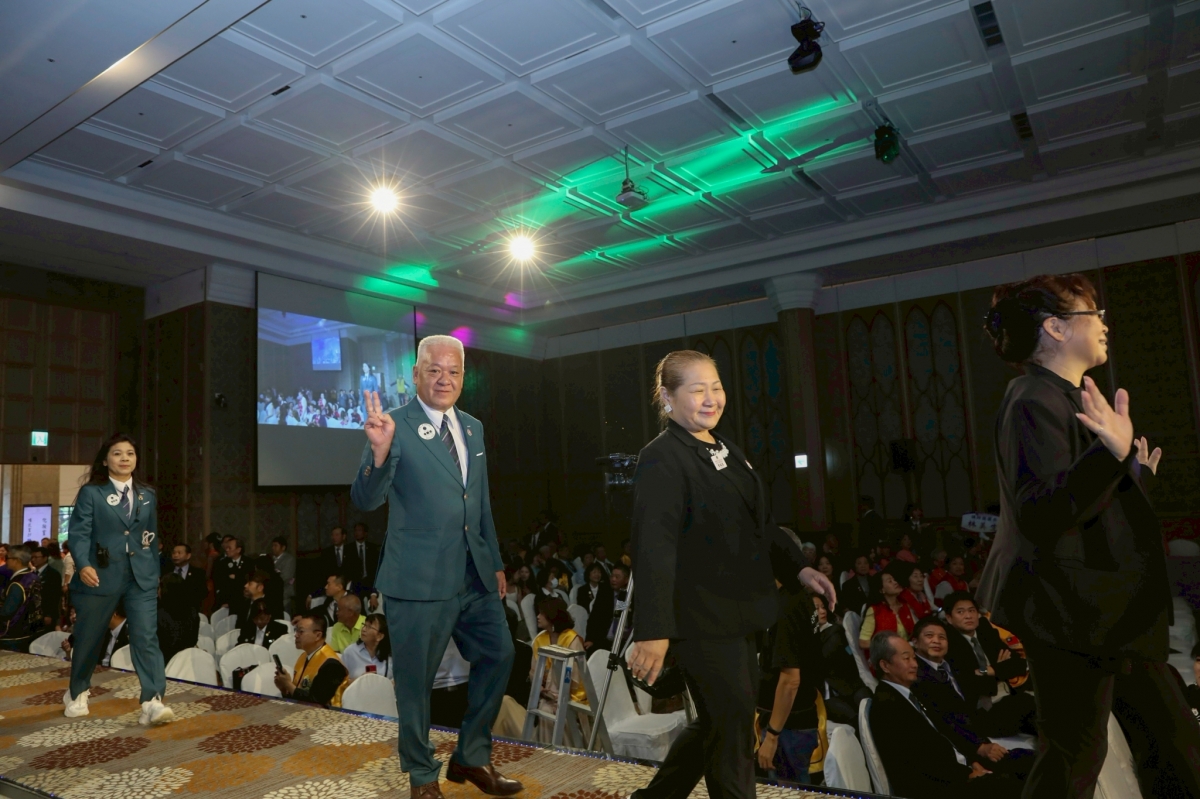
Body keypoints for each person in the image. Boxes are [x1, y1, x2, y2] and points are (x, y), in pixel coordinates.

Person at [977, 272, 1200, 799]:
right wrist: (1111, 455)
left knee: (1167, 739)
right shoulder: (1032, 398)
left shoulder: (1066, 395)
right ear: (1054, 328)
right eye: (1092, 313)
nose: (1104, 324)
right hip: (1069, 610)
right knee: (1077, 752)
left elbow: (1083, 499)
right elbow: (1040, 510)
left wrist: (1130, 473)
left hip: (1103, 608)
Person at [626, 350, 837, 799]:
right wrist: (654, 631)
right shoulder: (661, 457)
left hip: (741, 615)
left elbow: (761, 524)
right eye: (697, 390)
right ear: (667, 397)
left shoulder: (724, 447)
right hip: (700, 620)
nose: (711, 398)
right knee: (734, 731)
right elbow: (653, 549)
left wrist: (799, 568)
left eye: (716, 387)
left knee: (721, 721)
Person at [351, 334, 519, 799]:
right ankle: (422, 776)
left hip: (473, 573)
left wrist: (495, 561)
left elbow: (479, 501)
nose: (445, 379)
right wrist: (378, 454)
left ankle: (471, 755)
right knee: (415, 684)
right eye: (434, 370)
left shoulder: (473, 427)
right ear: (415, 375)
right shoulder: (393, 424)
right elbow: (365, 499)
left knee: (501, 654)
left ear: (464, 376)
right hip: (417, 578)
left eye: (454, 371)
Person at [64, 434, 173, 725]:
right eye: (117, 453)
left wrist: (154, 573)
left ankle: (152, 700)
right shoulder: (92, 493)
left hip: (140, 576)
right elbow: (78, 533)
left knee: (146, 636)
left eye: (130, 453)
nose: (125, 458)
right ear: (105, 460)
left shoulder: (147, 494)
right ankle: (77, 691)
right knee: (89, 637)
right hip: (99, 575)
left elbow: (150, 536)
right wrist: (83, 564)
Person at [868, 631, 1021, 799]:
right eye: (906, 658)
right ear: (885, 666)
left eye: (914, 658)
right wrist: (968, 774)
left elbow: (945, 732)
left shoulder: (910, 693)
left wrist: (972, 760)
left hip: (960, 766)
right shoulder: (887, 707)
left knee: (1025, 763)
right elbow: (922, 762)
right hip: (942, 787)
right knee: (1018, 783)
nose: (914, 664)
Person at [910, 615, 1033, 781]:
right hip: (969, 741)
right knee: (1028, 763)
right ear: (915, 642)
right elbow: (944, 722)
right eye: (929, 636)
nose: (936, 641)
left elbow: (1017, 665)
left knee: (1027, 705)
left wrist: (993, 669)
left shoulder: (955, 661)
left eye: (942, 637)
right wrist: (978, 748)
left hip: (984, 720)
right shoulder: (919, 676)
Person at [941, 592, 1036, 738]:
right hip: (985, 711)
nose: (968, 616)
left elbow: (1019, 664)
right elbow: (971, 683)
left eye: (972, 610)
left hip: (1010, 699)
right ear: (949, 618)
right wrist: (999, 669)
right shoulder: (950, 643)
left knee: (1041, 715)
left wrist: (989, 670)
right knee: (1029, 705)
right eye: (960, 612)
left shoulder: (984, 629)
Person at [756, 589, 824, 785]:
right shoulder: (800, 597)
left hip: (788, 728)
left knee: (788, 791)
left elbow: (790, 680)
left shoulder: (786, 607)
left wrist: (772, 736)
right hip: (792, 723)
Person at [528, 595, 589, 745]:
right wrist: (540, 688)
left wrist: (558, 696)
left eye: (542, 613)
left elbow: (575, 676)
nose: (538, 616)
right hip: (549, 694)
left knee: (551, 710)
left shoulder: (571, 639)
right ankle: (547, 750)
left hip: (571, 694)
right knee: (545, 708)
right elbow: (533, 671)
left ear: (552, 616)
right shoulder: (540, 640)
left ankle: (565, 751)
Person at [812, 593, 871, 729]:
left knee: (867, 710)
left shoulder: (834, 632)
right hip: (827, 694)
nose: (822, 611)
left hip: (851, 685)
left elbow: (821, 660)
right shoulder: (805, 638)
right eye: (816, 608)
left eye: (823, 607)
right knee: (851, 719)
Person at [275, 613, 349, 708]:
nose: (296, 635)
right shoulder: (303, 657)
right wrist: (284, 689)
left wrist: (288, 685)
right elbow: (299, 695)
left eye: (301, 631)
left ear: (318, 635)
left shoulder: (331, 665)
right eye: (296, 630)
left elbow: (316, 703)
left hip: (327, 714)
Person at [0, 545, 41, 651]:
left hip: (13, 634)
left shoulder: (17, 583)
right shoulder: (33, 576)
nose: (5, 561)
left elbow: (7, 611)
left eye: (7, 558)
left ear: (17, 561)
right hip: (30, 629)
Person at [157, 573, 200, 664]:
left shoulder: (159, 615)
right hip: (188, 662)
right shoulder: (193, 612)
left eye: (159, 588)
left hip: (165, 663)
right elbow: (193, 641)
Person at [342, 613, 392, 680]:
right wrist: (360, 680)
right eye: (364, 625)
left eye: (369, 627)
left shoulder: (390, 657)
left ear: (380, 636)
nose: (364, 629)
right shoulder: (350, 652)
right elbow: (341, 683)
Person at [215, 537, 251, 622]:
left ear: (238, 550)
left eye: (229, 548)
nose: (226, 550)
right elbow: (221, 584)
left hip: (244, 601)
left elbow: (248, 581)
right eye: (226, 547)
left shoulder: (248, 563)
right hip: (228, 602)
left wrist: (237, 577)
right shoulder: (222, 563)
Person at [165, 543, 207, 612]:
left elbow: (202, 593)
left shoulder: (198, 573)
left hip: (191, 611)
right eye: (174, 553)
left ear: (188, 556)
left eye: (179, 553)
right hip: (169, 611)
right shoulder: (166, 571)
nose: (175, 555)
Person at [30, 546, 63, 630]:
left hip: (46, 613)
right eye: (32, 557)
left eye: (36, 557)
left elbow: (54, 596)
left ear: (45, 558)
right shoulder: (33, 573)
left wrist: (49, 614)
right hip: (34, 613)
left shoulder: (53, 574)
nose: (33, 560)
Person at [318, 527, 359, 592]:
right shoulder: (326, 552)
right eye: (332, 535)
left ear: (343, 536)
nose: (334, 537)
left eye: (337, 535)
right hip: (332, 587)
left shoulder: (351, 551)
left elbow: (356, 569)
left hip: (349, 586)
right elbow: (323, 572)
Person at [839, 551, 874, 617]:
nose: (863, 566)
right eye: (859, 563)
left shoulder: (875, 581)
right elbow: (844, 606)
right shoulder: (847, 585)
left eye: (865, 563)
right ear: (854, 565)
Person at [270, 536, 296, 614]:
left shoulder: (289, 559)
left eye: (276, 545)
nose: (273, 548)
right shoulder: (271, 559)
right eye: (272, 546)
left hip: (284, 594)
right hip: (272, 594)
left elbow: (286, 577)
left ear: (283, 547)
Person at [351, 522, 380, 589]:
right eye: (355, 530)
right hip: (354, 582)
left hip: (370, 581)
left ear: (365, 533)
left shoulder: (373, 548)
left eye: (359, 530)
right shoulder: (349, 548)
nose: (357, 533)